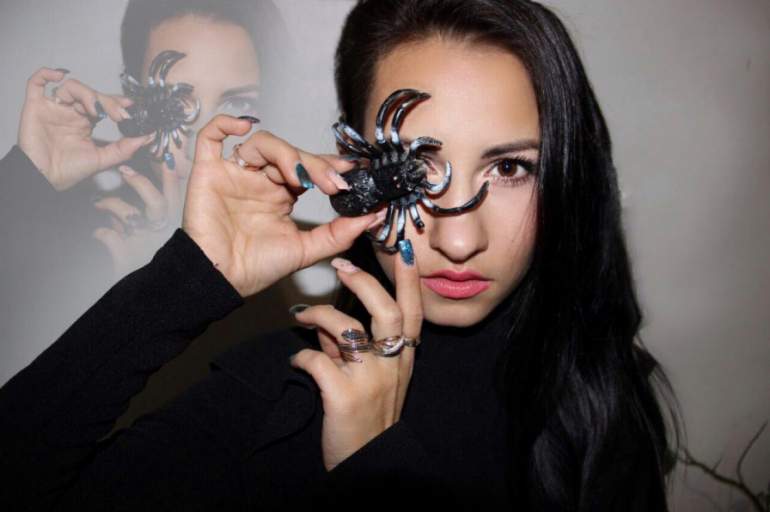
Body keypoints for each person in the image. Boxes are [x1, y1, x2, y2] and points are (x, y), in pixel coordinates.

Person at [0, 0, 679, 510]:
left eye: (509, 169)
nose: (459, 240)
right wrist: (188, 277)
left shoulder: (599, 390)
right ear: (352, 167)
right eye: (413, 168)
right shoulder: (287, 389)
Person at [0, 0, 287, 383]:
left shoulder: (287, 258)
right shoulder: (74, 241)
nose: (203, 139)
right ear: (132, 101)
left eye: (238, 104)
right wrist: (26, 181)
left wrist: (170, 281)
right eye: (175, 103)